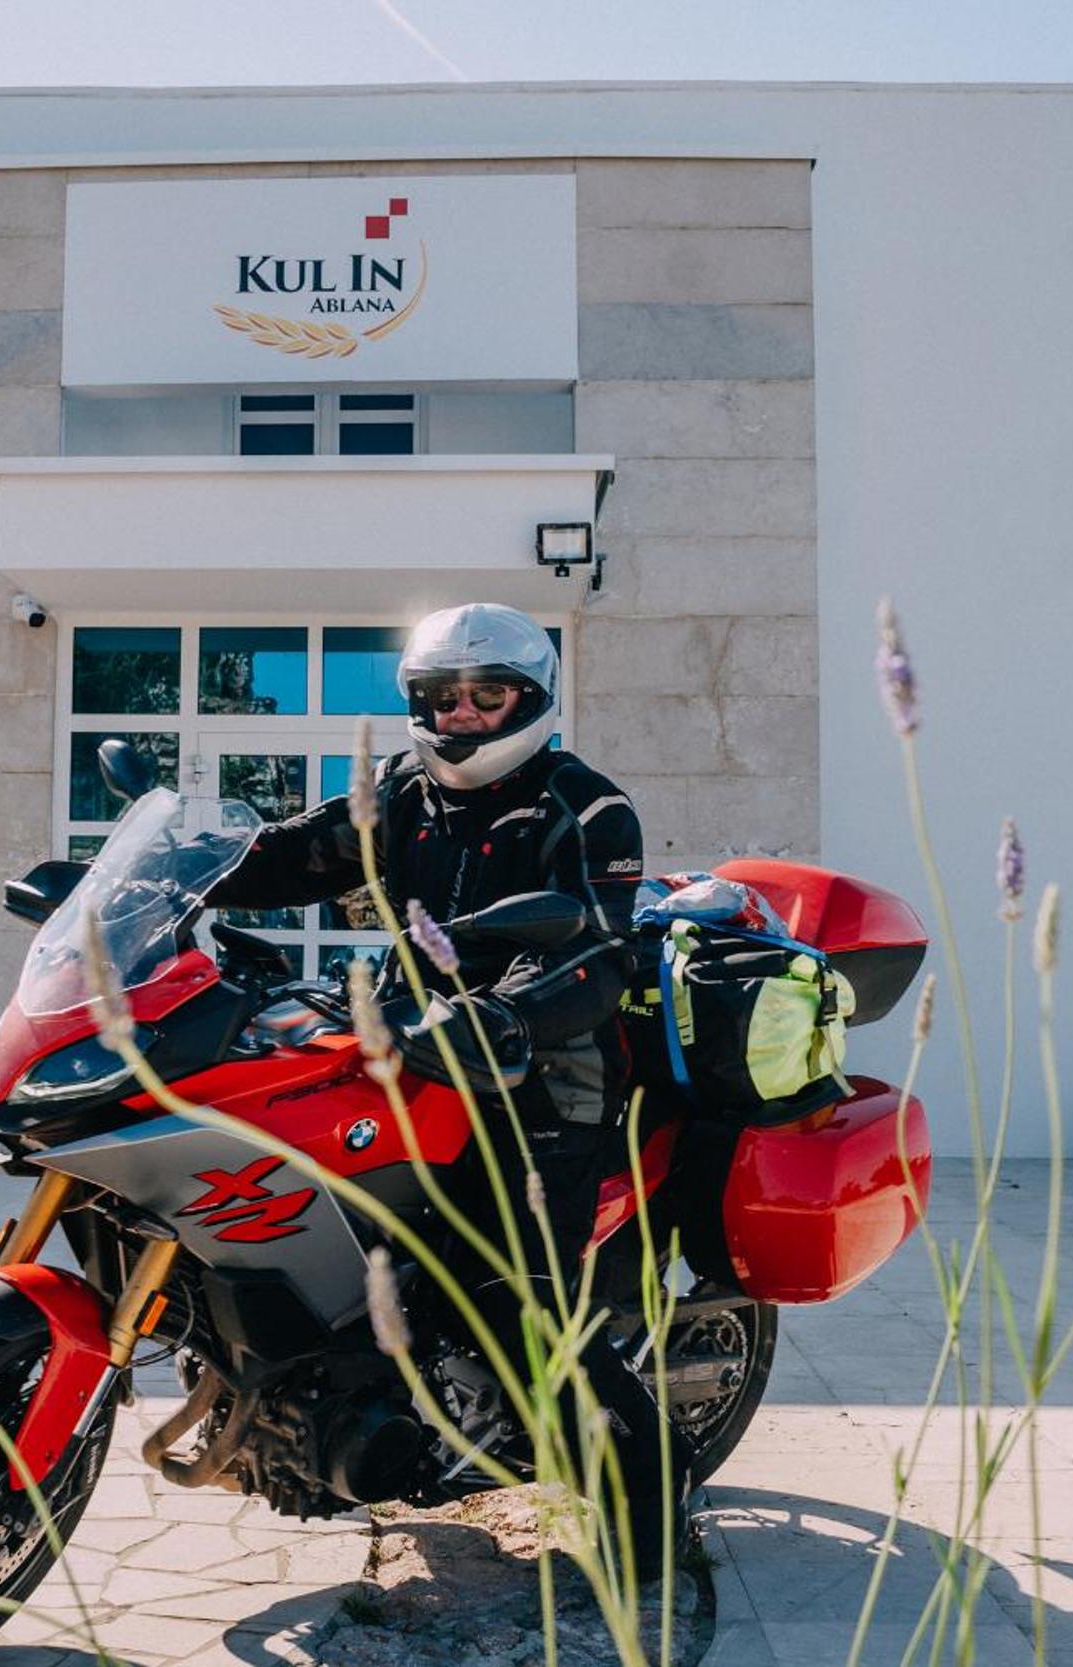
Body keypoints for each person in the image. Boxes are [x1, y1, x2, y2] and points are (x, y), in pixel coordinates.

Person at [208, 604, 683, 1548]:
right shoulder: (401, 790)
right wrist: (160, 878)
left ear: (531, 699)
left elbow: (596, 953)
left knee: (517, 1313)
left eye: (486, 695)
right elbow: (290, 857)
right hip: (414, 1062)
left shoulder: (586, 807)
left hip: (544, 1086)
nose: (462, 714)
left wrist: (509, 1013)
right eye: (442, 696)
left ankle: (652, 1526)